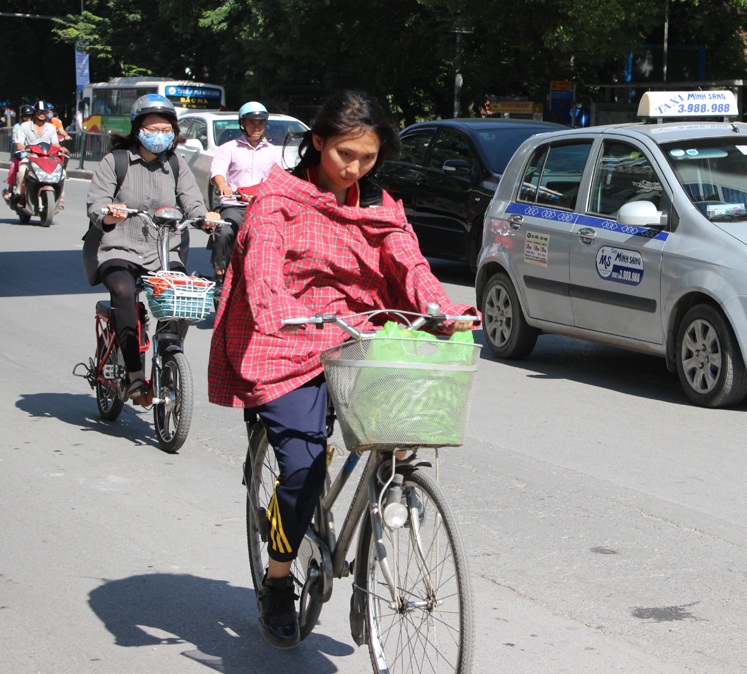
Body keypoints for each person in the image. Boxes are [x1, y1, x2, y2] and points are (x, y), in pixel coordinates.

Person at [207, 90, 477, 649]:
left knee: (405, 423)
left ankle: (383, 510)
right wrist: (278, 310)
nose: (354, 167)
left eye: (368, 158)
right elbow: (262, 268)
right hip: (288, 337)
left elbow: (410, 264)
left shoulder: (381, 204)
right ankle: (279, 581)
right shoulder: (278, 198)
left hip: (359, 335)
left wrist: (442, 310)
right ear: (318, 143)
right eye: (344, 154)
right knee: (303, 469)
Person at [86, 94, 220, 402]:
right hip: (119, 249)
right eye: (152, 128)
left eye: (165, 129)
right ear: (137, 129)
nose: (159, 135)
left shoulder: (176, 164)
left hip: (164, 253)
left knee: (183, 296)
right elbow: (96, 203)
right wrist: (108, 212)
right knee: (122, 290)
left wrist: (205, 218)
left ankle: (170, 352)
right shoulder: (115, 161)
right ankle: (134, 375)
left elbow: (193, 204)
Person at [207, 101, 283, 288]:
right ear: (243, 124)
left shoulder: (273, 152)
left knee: (277, 237)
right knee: (224, 232)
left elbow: (282, 177)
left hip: (262, 207)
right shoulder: (229, 148)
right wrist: (222, 184)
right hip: (234, 206)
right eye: (251, 122)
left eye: (260, 123)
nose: (256, 127)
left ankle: (273, 278)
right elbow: (217, 171)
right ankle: (219, 275)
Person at [11, 101, 61, 204]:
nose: (42, 114)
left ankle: (59, 197)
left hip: (46, 157)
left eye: (44, 112)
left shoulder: (51, 128)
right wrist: (21, 148)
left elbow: (55, 143)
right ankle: (19, 194)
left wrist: (60, 148)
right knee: (22, 170)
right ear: (35, 113)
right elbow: (20, 142)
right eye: (39, 112)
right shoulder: (25, 126)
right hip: (30, 156)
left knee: (62, 172)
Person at [3, 104, 34, 202]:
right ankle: (11, 189)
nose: (28, 118)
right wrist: (24, 152)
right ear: (22, 117)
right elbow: (17, 142)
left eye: (30, 116)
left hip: (35, 154)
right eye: (25, 116)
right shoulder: (17, 127)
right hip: (21, 154)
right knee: (14, 167)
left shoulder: (36, 127)